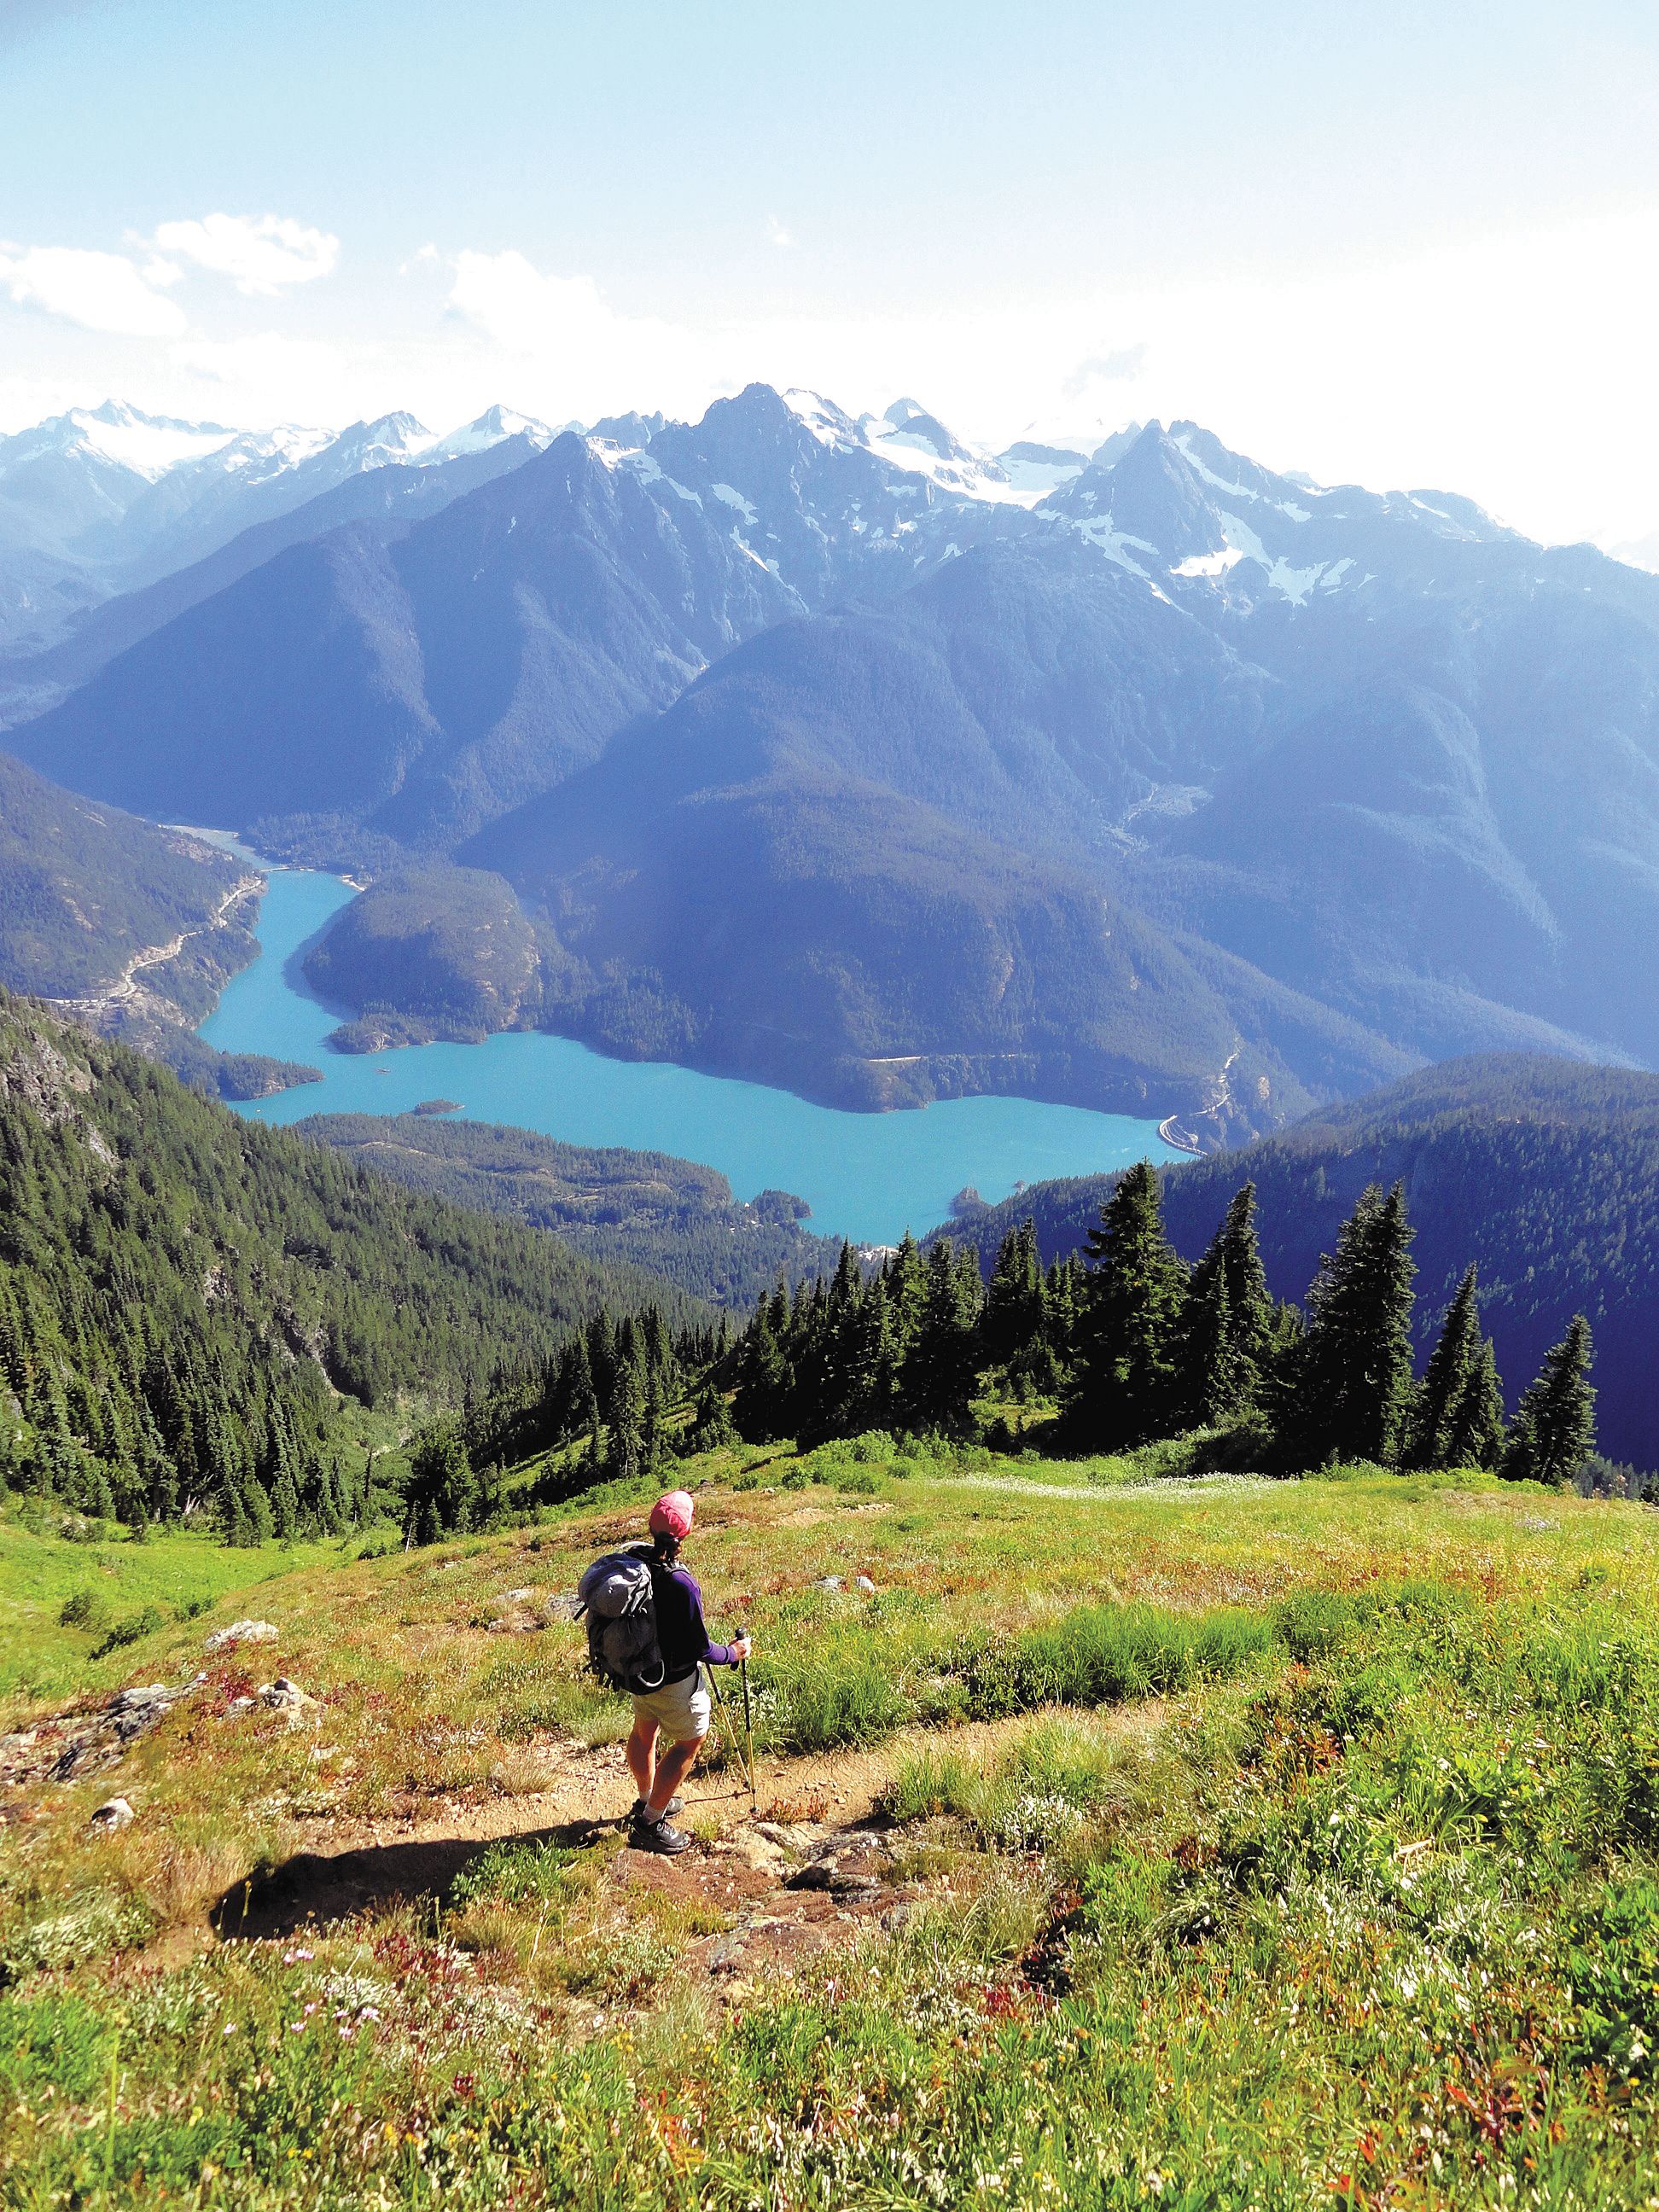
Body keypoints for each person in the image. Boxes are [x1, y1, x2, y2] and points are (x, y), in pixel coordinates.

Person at [626, 1488, 751, 1854]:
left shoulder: (635, 1561)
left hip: (639, 1673)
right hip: (674, 1681)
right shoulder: (681, 1583)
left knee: (644, 1731)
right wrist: (734, 1653)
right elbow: (701, 1648)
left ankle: (646, 1798)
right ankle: (650, 1822)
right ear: (686, 1533)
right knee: (688, 1743)